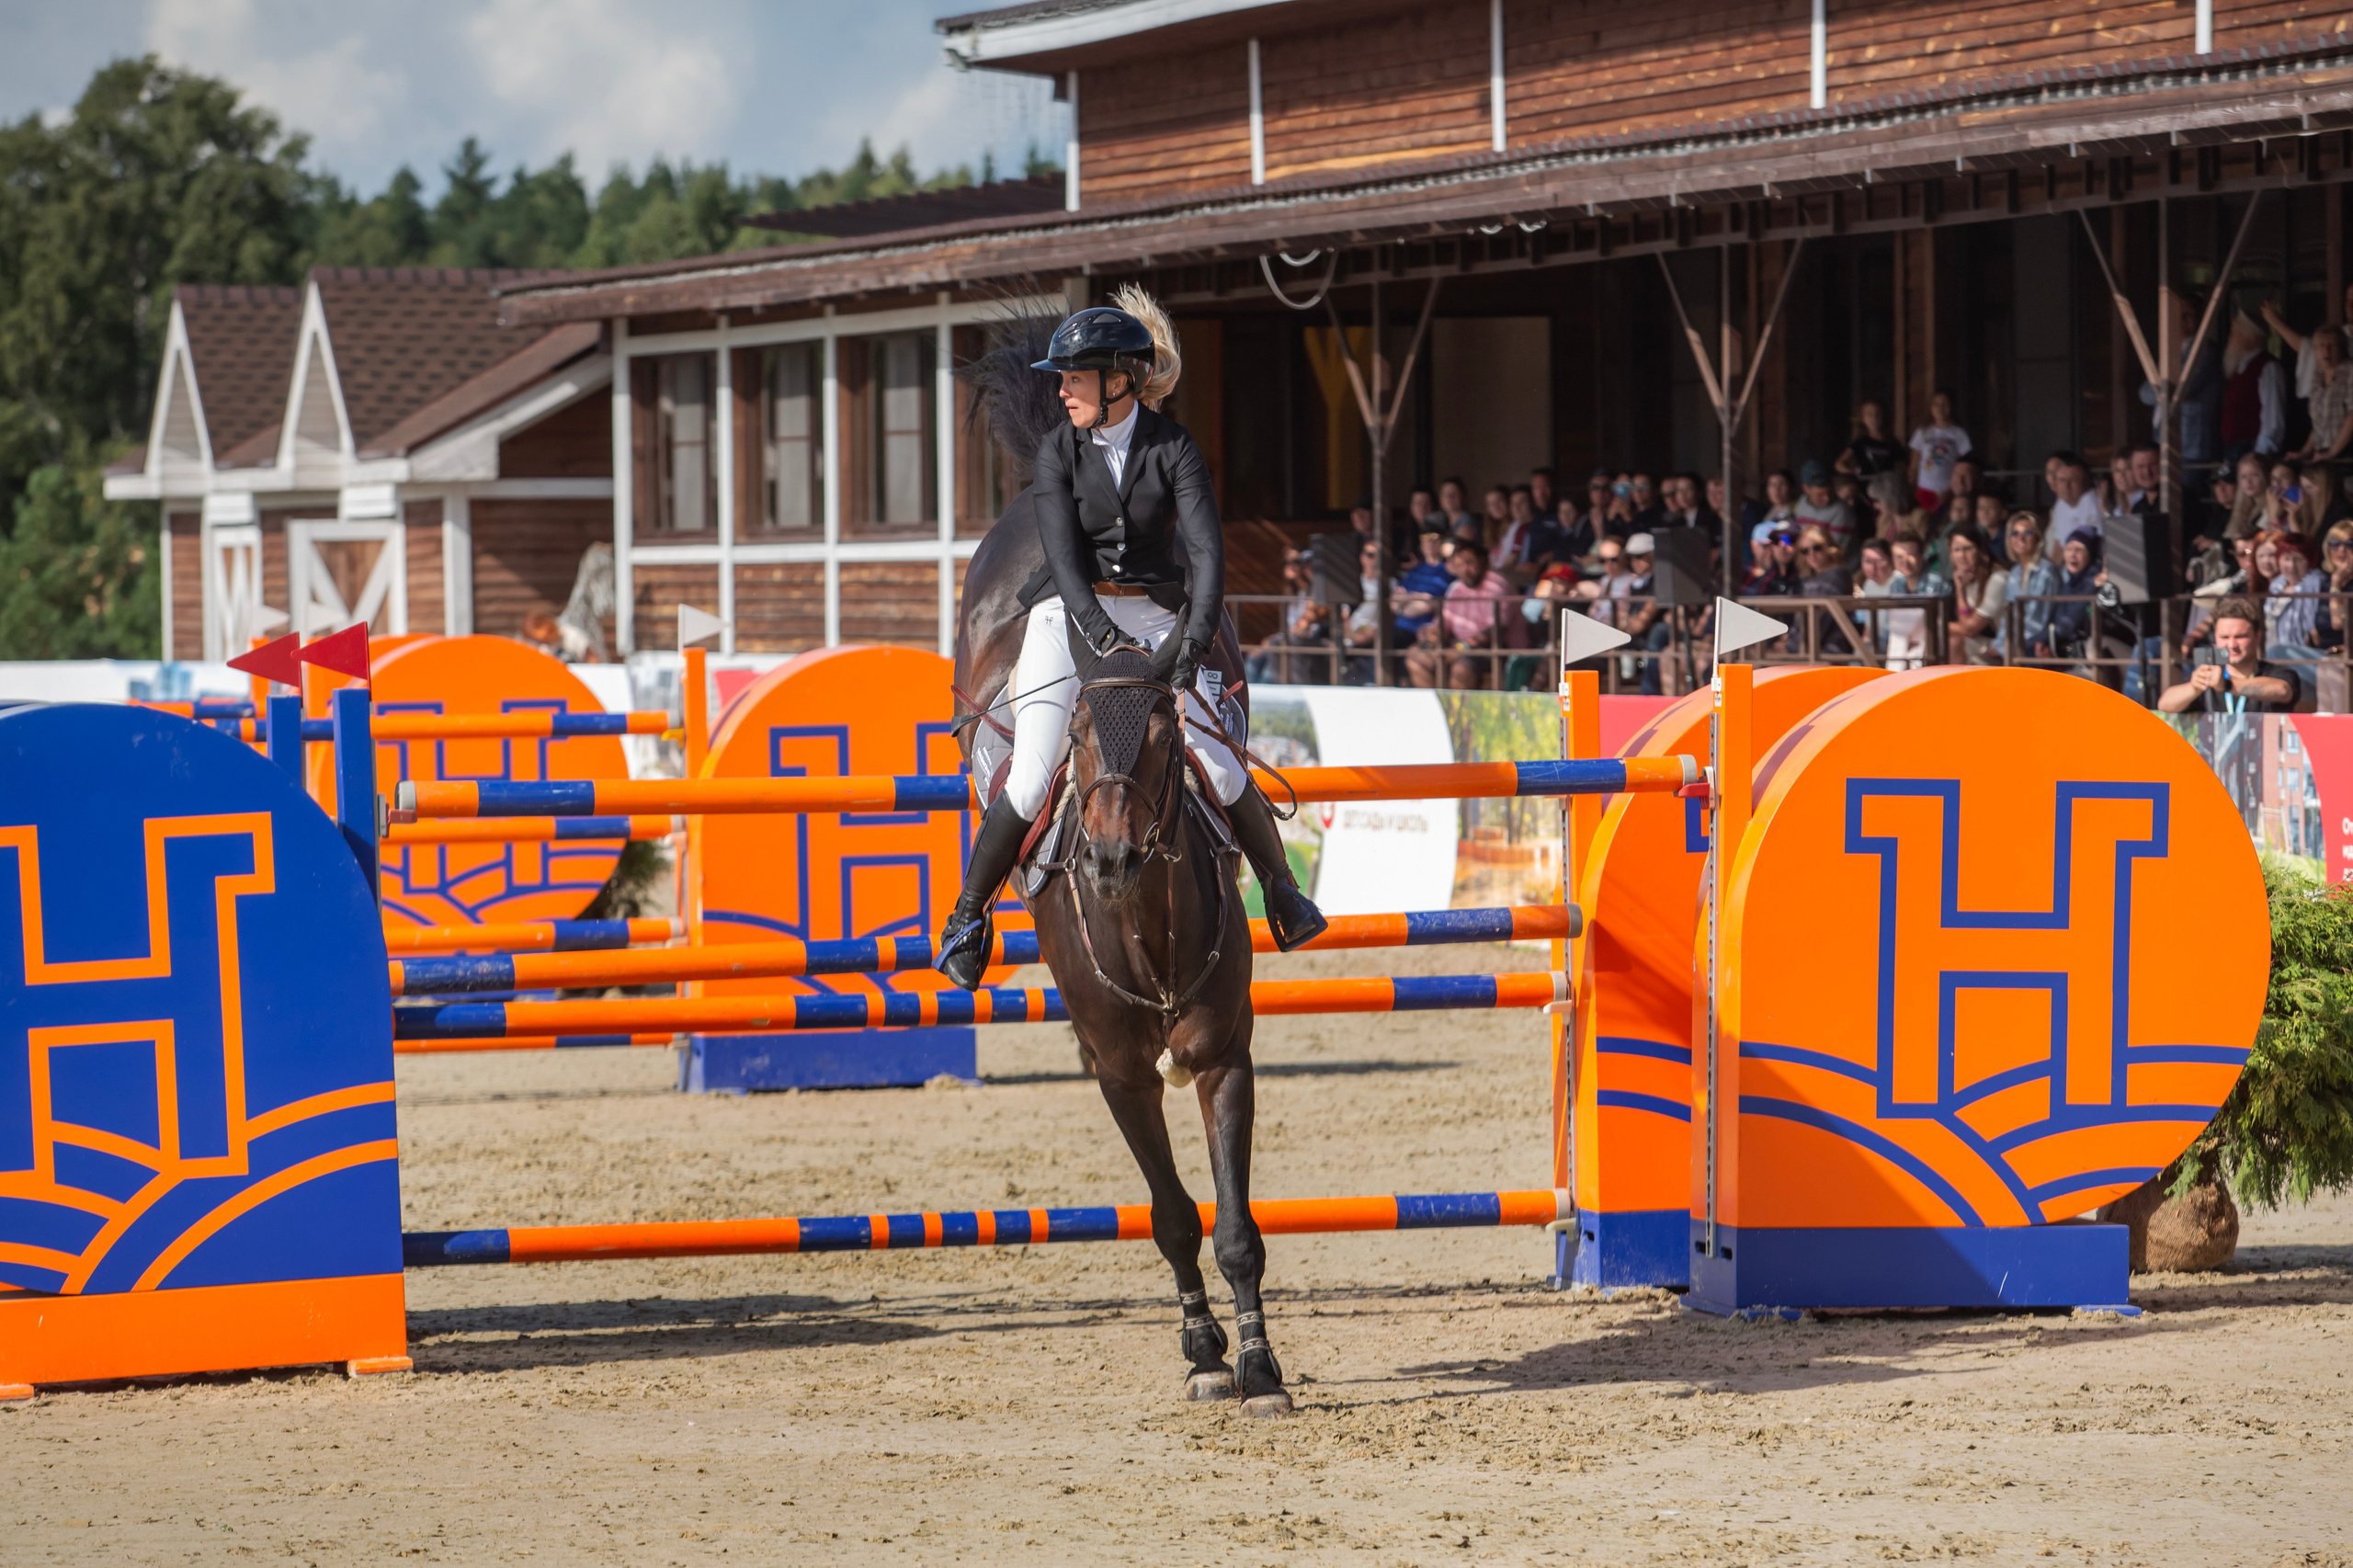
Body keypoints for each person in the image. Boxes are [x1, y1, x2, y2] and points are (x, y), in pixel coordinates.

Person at [938, 303, 1324, 988]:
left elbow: (1206, 558)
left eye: (1075, 378)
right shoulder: (1059, 450)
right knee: (1029, 779)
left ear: (1119, 381)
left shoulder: (1173, 450)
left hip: (1159, 621)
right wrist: (1104, 639)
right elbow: (1061, 559)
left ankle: (1283, 890)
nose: (1062, 390)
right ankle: (969, 918)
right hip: (1069, 621)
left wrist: (1190, 642)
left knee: (1221, 765)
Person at [1406, 534, 1522, 689]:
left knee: (1461, 668)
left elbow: (1494, 632)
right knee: (1415, 657)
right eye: (1459, 564)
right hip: (1460, 647)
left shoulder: (1497, 585)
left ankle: (1456, 714)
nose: (1465, 570)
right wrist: (1431, 637)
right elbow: (1442, 625)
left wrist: (1460, 648)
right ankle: (1440, 710)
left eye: (1469, 563)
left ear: (1483, 562)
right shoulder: (1456, 589)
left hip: (1498, 650)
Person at [2158, 597, 2302, 712]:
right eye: (2224, 637)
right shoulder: (2209, 676)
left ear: (2257, 637)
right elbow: (2164, 704)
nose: (2232, 645)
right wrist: (2194, 687)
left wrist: (2227, 685)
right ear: (2215, 638)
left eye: (2240, 637)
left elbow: (2282, 690)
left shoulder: (2278, 673)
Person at [2217, 309, 2289, 463]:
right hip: (2234, 451)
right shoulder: (2239, 369)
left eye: (2235, 333)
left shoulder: (2267, 368)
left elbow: (2273, 420)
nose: (2230, 338)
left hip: (2253, 452)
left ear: (2250, 339)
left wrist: (2259, 457)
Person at [2000, 511, 2063, 661]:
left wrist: (2005, 647)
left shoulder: (2047, 570)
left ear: (2038, 537)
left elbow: (2037, 621)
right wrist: (1998, 644)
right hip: (2012, 645)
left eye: (2027, 532)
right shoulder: (2015, 572)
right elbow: (2008, 617)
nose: (2020, 538)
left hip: (2034, 646)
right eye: (2014, 533)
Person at [1947, 526, 2009, 664]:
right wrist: (1960, 588)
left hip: (2004, 647)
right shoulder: (1968, 579)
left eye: (1968, 549)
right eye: (1956, 550)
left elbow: (1970, 628)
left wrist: (1943, 627)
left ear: (1980, 550)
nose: (1962, 555)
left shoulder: (1997, 579)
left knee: (1955, 640)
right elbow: (1965, 623)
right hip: (1986, 644)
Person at [2047, 528, 2106, 671]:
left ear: (2090, 554)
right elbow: (2056, 619)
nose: (2072, 555)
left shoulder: (2096, 581)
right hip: (2069, 655)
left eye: (2079, 549)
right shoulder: (2069, 583)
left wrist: (2092, 586)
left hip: (2091, 658)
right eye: (2068, 549)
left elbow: (2070, 623)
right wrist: (2041, 641)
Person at [2294, 323, 2353, 465]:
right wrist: (2304, 452)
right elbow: (2318, 423)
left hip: (2347, 453)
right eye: (2321, 345)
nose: (2326, 350)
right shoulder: (2317, 376)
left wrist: (2333, 452)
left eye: (2332, 345)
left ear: (2342, 349)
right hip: (2323, 453)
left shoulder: (2350, 371)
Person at [1906, 390, 1973, 513]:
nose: (1940, 408)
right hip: (1924, 488)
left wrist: (1953, 489)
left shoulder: (1959, 433)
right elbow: (1914, 463)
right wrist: (1912, 485)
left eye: (1945, 404)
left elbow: (1964, 465)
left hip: (1948, 490)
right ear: (1931, 407)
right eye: (1936, 404)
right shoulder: (1922, 432)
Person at [1391, 521, 1456, 643]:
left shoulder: (1448, 571)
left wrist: (1406, 601)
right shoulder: (1415, 570)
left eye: (1434, 538)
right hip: (1399, 628)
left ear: (1442, 542)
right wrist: (1418, 597)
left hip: (1425, 632)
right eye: (1425, 538)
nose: (1429, 542)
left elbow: (1431, 604)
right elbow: (1394, 603)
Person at [1793, 460, 1857, 558]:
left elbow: (1832, 552)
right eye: (1820, 494)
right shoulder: (1802, 503)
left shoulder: (1842, 512)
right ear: (1806, 489)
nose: (1827, 498)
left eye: (1829, 492)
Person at [1836, 399, 1905, 480]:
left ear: (1884, 417)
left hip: (1886, 487)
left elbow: (1904, 465)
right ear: (1862, 418)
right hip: (1865, 485)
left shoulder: (1892, 442)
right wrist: (1854, 472)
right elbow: (1839, 464)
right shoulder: (1860, 442)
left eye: (1878, 414)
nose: (1874, 418)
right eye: (1869, 415)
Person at [2049, 452, 2103, 540]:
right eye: (2062, 480)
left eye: (2073, 480)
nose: (2066, 486)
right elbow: (2058, 545)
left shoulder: (2091, 501)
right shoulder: (2061, 503)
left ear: (2086, 482)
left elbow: (2087, 547)